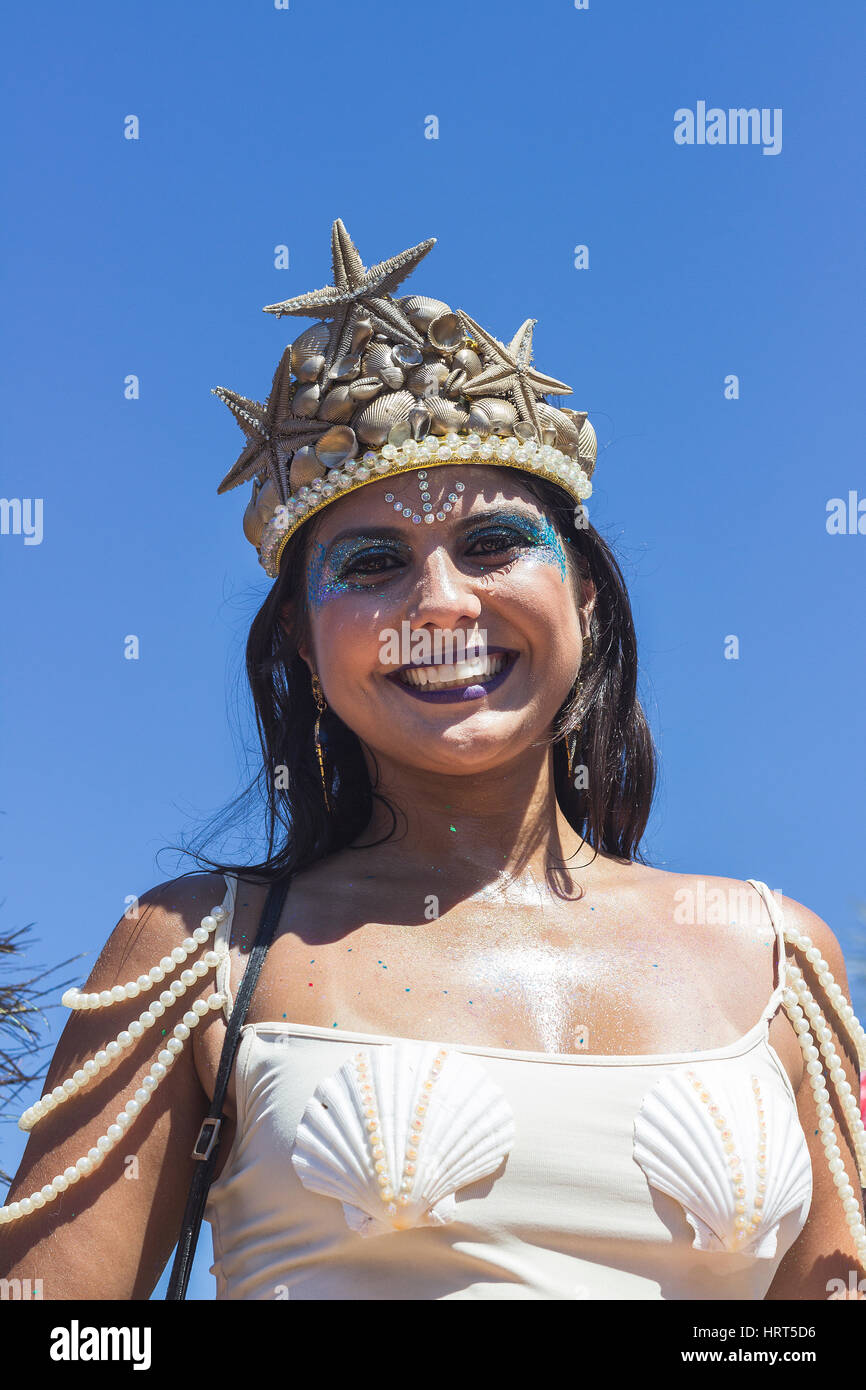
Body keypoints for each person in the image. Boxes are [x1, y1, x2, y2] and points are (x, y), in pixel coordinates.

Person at [2, 219, 865, 1301]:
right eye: (371, 564)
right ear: (306, 651)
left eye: (494, 543)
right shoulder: (191, 952)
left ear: (583, 601)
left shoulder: (780, 962)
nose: (440, 603)